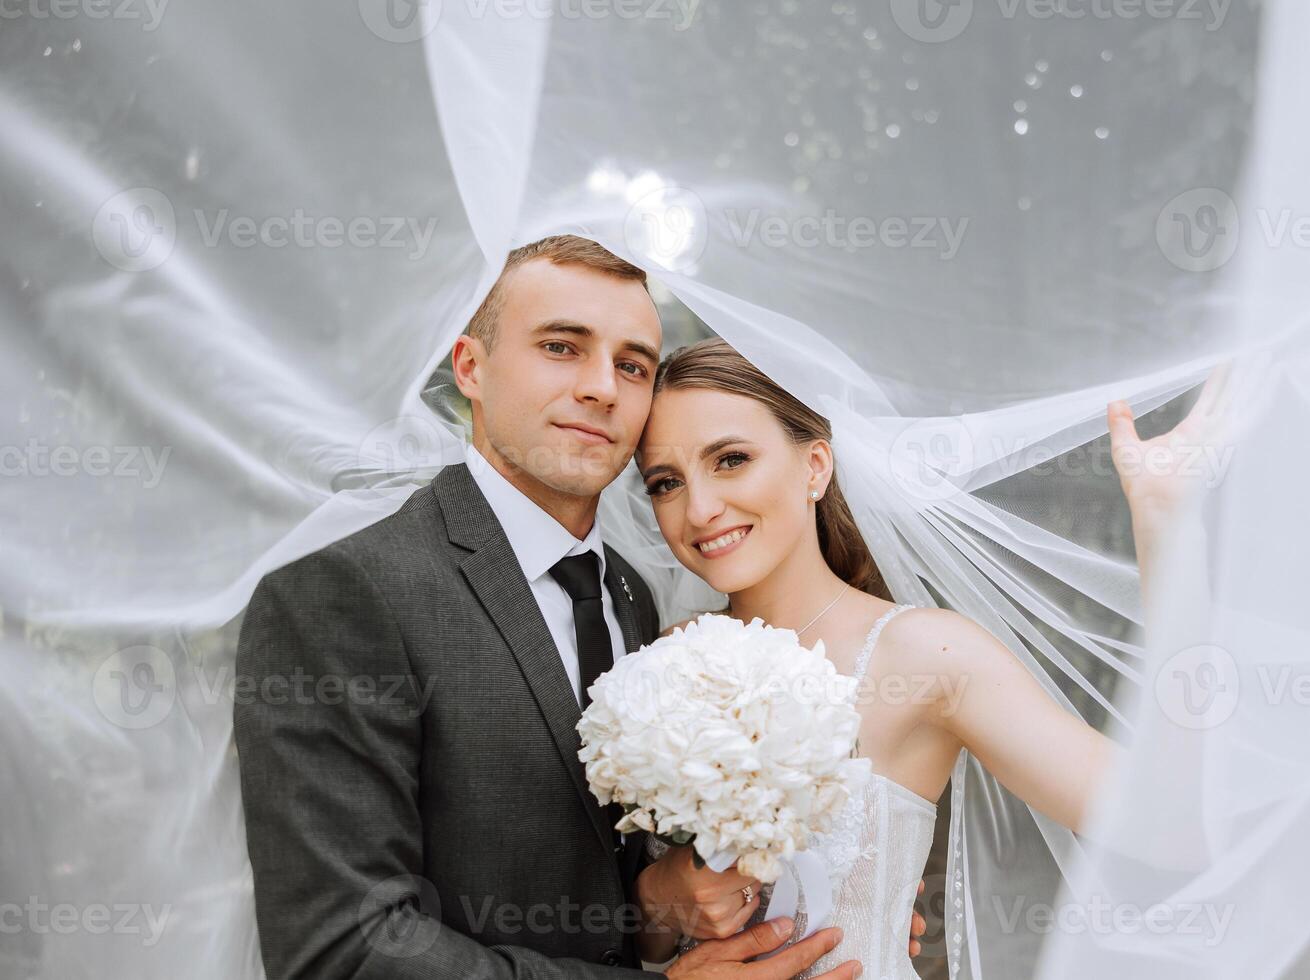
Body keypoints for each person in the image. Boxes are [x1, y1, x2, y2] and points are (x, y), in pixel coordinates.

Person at [234, 237, 912, 980]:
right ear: (471, 368)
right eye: (562, 347)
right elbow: (342, 948)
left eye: (632, 365)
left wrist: (821, 902)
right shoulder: (348, 593)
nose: (602, 388)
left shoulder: (633, 596)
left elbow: (618, 879)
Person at [630, 338, 1216, 977]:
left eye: (732, 459)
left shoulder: (927, 655)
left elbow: (1175, 826)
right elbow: (642, 938)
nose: (700, 508)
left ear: (815, 466)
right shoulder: (665, 660)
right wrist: (657, 905)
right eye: (666, 482)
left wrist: (1167, 526)